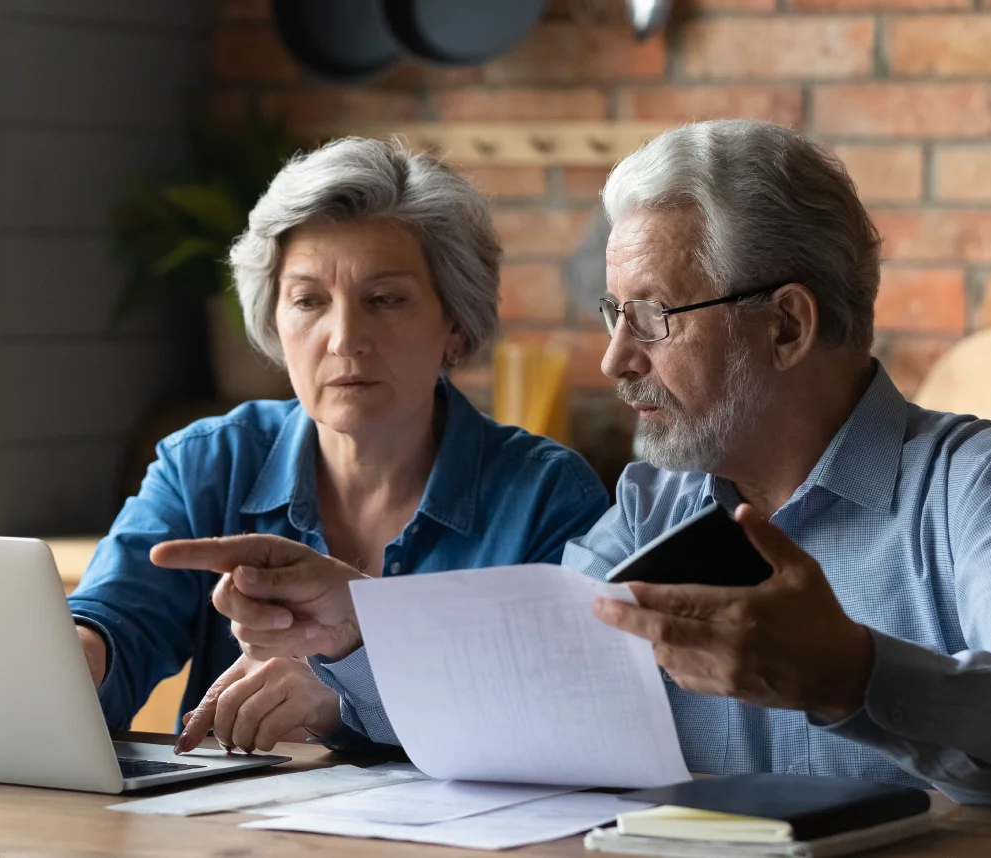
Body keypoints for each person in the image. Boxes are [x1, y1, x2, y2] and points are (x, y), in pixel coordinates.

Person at [161, 120, 991, 805]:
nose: (613, 361)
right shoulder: (655, 505)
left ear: (787, 325)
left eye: (652, 316)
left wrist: (853, 676)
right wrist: (355, 625)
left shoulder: (976, 489)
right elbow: (519, 685)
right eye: (613, 312)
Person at [67, 137, 610, 754]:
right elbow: (119, 620)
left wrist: (348, 696)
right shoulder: (208, 464)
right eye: (308, 301)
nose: (345, 338)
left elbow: (563, 710)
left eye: (385, 300)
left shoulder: (547, 496)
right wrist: (80, 659)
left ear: (455, 324)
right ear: (274, 320)